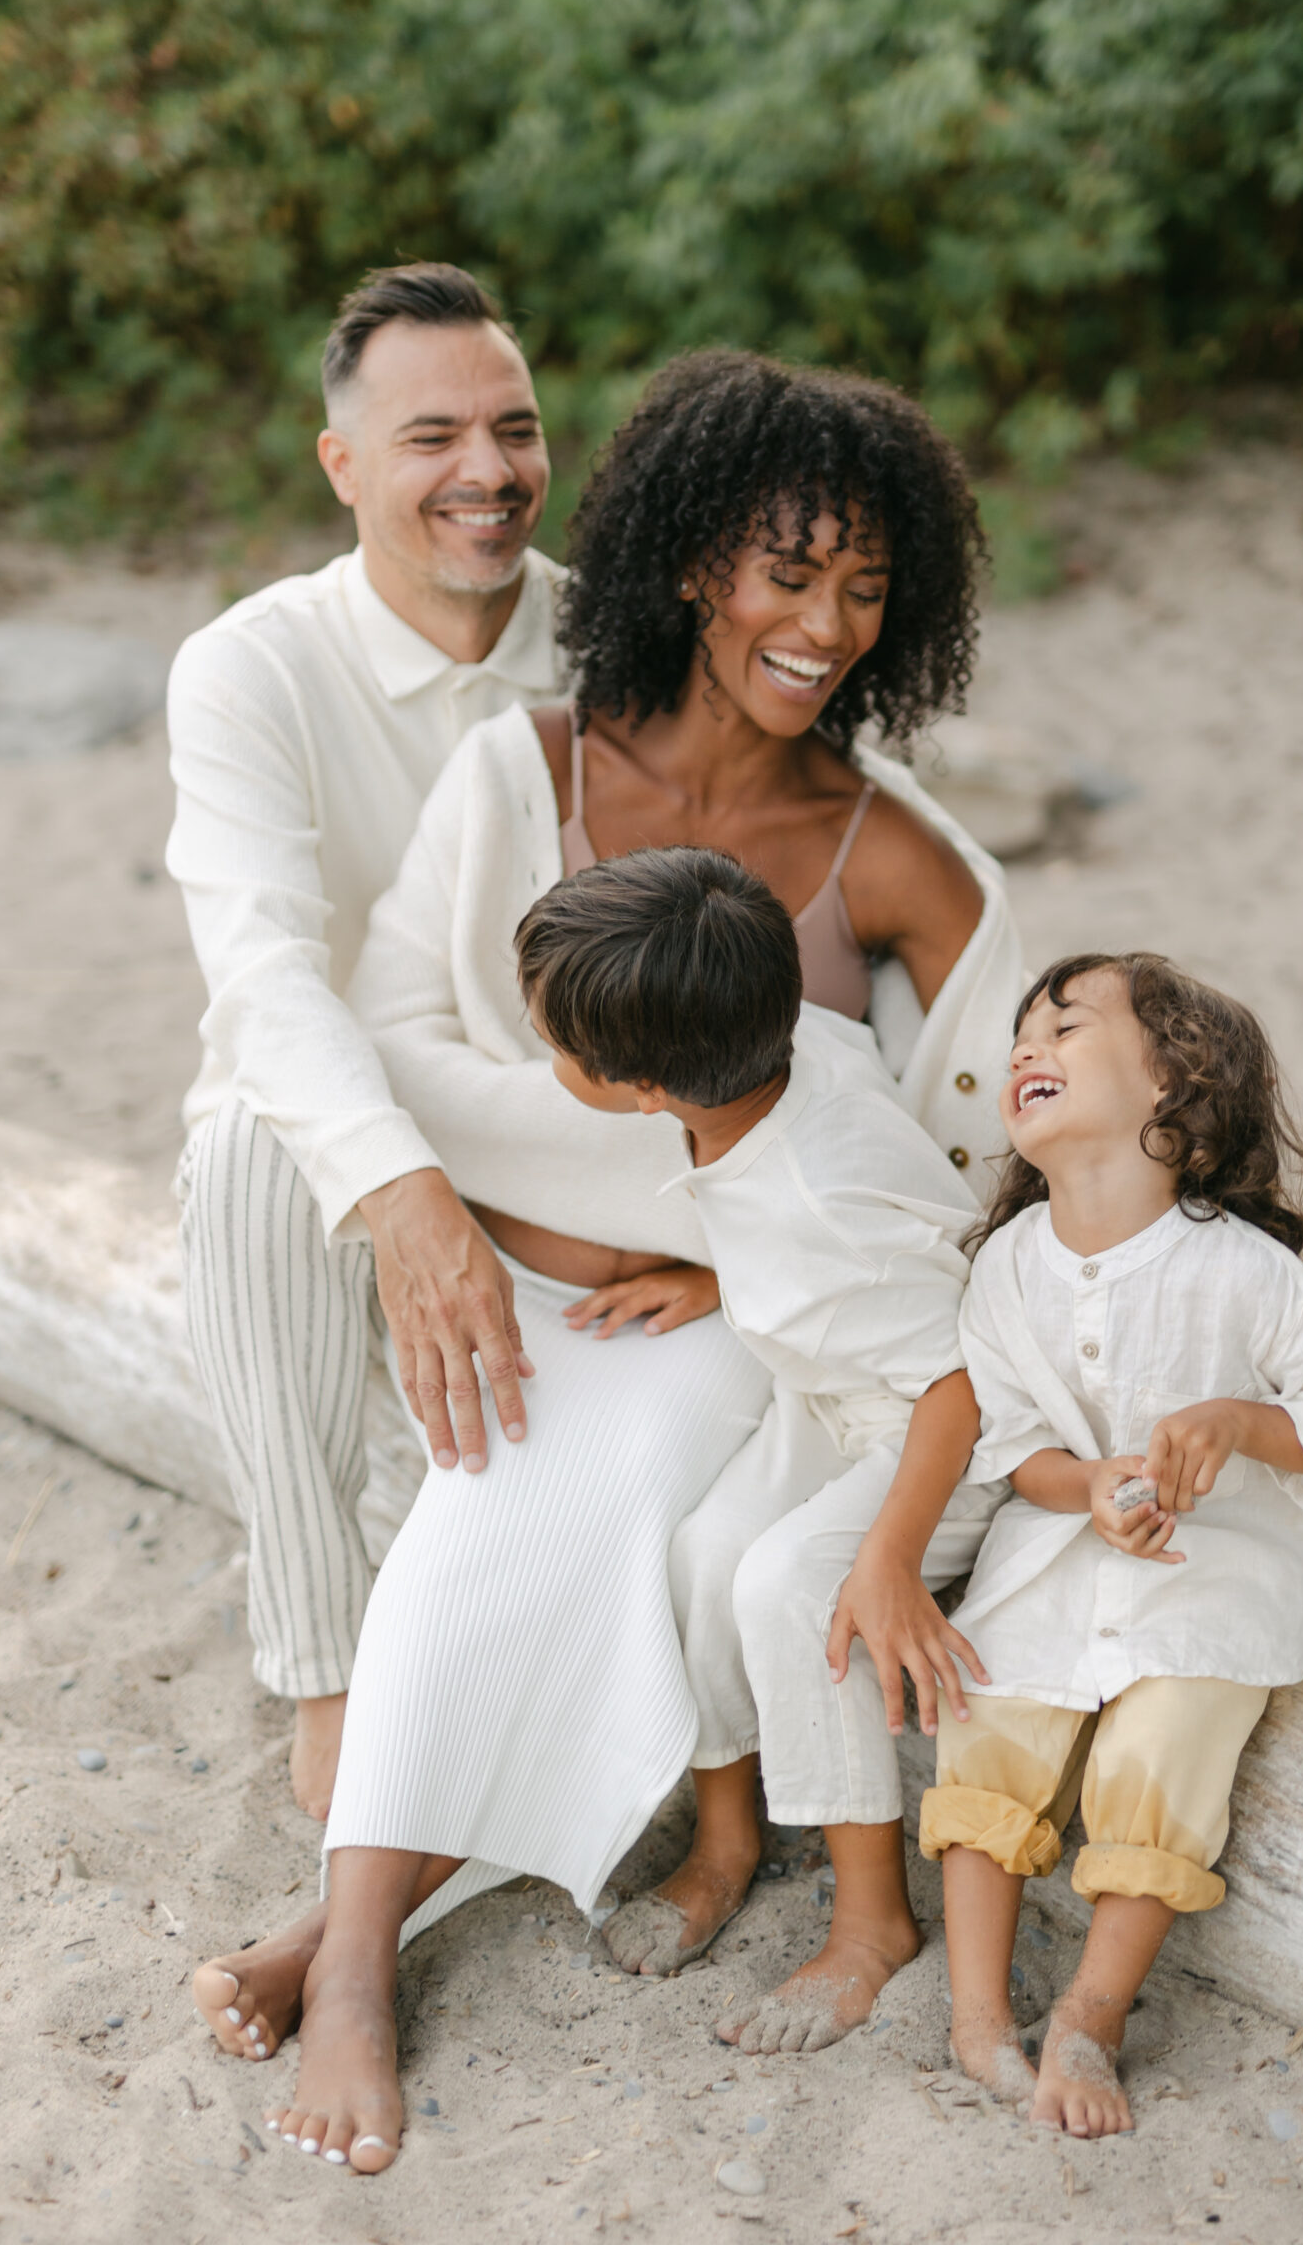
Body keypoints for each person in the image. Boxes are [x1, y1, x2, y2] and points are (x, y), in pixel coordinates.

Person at [189, 350, 1026, 2174]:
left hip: (736, 1327)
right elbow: (393, 1045)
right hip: (495, 1275)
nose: (822, 625)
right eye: (785, 572)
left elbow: (971, 1184)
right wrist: (626, 1186)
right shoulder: (529, 768)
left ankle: (347, 1943)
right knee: (480, 1526)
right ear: (685, 566)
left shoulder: (903, 863)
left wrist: (730, 1267)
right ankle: (358, 1937)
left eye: (865, 588)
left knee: (568, 1530)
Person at [167, 262, 565, 1818]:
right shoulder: (250, 666)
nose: (486, 470)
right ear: (341, 466)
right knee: (254, 1138)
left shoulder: (613, 650)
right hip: (336, 1126)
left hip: (555, 1124)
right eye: (432, 437)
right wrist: (405, 1198)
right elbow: (262, 979)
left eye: (515, 429)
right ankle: (325, 1672)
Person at [513, 850, 1003, 2048]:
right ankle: (729, 1838)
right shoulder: (792, 1050)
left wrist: (887, 1557)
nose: (545, 1056)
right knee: (701, 1555)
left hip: (944, 1435)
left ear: (639, 1089)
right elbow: (803, 1215)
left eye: (557, 1047)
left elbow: (960, 1384)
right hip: (842, 1385)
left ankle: (872, 1922)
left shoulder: (817, 1212)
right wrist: (721, 1269)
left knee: (790, 1585)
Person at [917, 952, 1303, 2136]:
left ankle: (1092, 2009)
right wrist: (1090, 1484)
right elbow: (1017, 1447)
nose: (1029, 1048)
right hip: (1067, 1544)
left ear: (1174, 1081)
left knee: (1169, 1739)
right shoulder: (1009, 1271)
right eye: (1023, 1034)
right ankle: (977, 2014)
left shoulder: (1243, 1269)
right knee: (988, 1710)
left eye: (1066, 1027)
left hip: (1215, 1560)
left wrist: (1233, 1422)